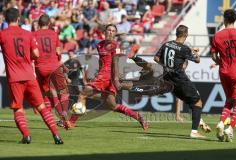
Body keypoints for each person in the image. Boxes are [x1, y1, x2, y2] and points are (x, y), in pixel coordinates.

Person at [0, 8, 63, 144]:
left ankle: (26, 135)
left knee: (18, 108)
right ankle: (56, 135)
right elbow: (36, 54)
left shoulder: (2, 34)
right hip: (29, 75)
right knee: (41, 106)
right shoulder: (28, 34)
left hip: (14, 78)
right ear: (18, 18)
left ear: (5, 19)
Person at [73, 24, 148, 130]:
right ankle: (139, 117)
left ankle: (70, 122)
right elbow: (102, 61)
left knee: (83, 94)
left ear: (115, 33)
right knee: (113, 106)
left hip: (107, 76)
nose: (110, 32)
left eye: (113, 31)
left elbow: (116, 63)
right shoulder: (100, 45)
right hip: (103, 75)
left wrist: (116, 78)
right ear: (105, 32)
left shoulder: (115, 46)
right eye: (109, 30)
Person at [33, 14, 71, 129]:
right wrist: (62, 65)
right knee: (63, 91)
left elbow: (33, 53)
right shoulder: (54, 34)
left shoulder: (33, 35)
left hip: (40, 67)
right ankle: (63, 117)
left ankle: (50, 118)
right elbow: (58, 52)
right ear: (49, 23)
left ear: (39, 24)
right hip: (54, 66)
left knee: (47, 93)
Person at [211, 9, 236, 142]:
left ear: (224, 19)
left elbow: (213, 56)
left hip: (223, 71)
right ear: (235, 19)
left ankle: (221, 123)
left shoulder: (217, 36)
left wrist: (220, 62)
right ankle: (230, 128)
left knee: (229, 99)